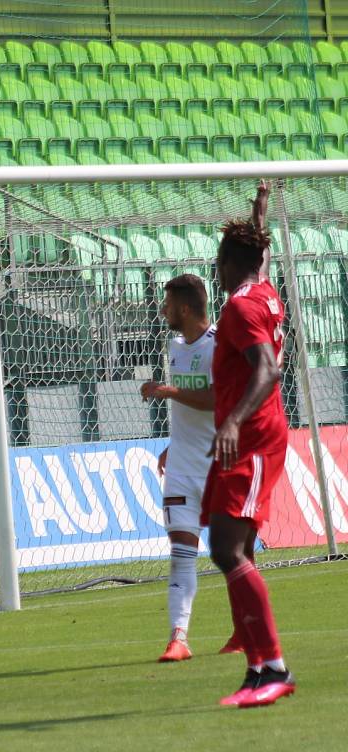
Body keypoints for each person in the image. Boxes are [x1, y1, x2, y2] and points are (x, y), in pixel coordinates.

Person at [203, 186, 296, 708]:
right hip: (245, 436)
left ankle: (274, 667)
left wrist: (234, 421)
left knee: (229, 549)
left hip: (253, 437)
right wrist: (259, 213)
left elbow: (268, 369)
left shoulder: (239, 309)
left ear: (225, 263)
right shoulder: (263, 291)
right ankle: (257, 670)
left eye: (218, 259)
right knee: (226, 547)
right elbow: (258, 261)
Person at [140, 274, 215, 663]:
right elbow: (188, 410)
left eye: (167, 304)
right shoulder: (174, 345)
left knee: (232, 553)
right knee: (182, 552)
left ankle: (246, 627)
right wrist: (174, 444)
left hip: (220, 463)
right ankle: (178, 637)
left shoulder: (219, 346)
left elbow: (219, 400)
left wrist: (169, 391)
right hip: (183, 466)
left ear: (185, 308)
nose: (163, 310)